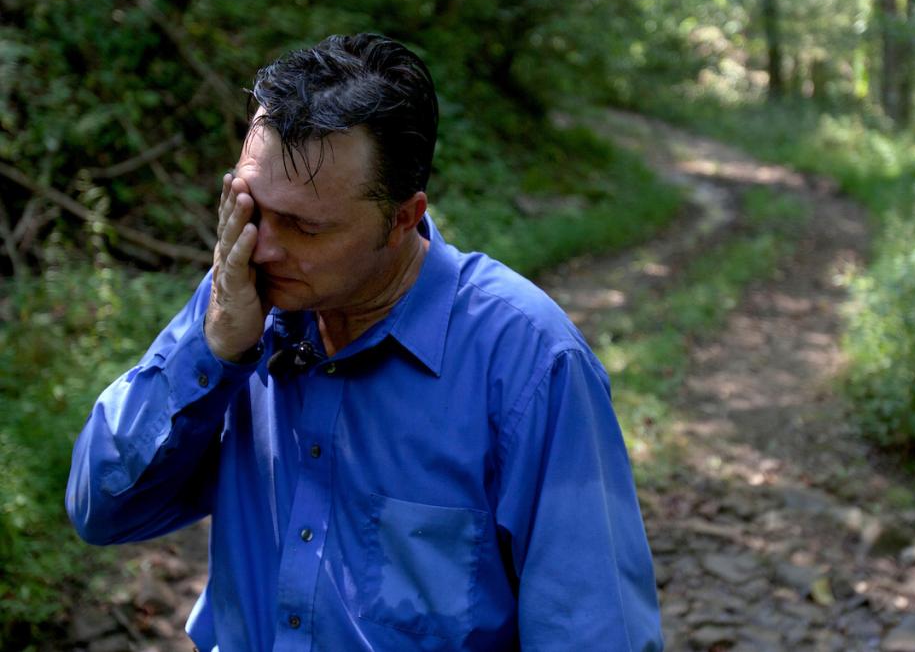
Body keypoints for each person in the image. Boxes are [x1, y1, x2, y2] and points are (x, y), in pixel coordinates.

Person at [66, 33, 662, 651]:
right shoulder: (244, 298)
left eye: (304, 225)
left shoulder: (529, 362)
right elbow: (103, 508)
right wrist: (213, 347)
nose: (262, 246)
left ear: (403, 217)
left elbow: (593, 631)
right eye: (252, 207)